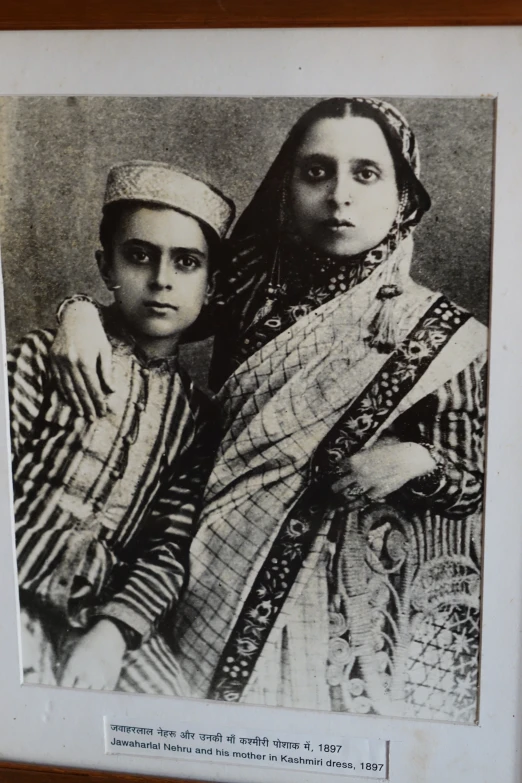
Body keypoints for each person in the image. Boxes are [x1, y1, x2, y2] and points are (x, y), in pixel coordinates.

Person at [50, 99, 487, 722]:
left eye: (366, 173)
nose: (338, 196)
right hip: (195, 560)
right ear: (287, 188)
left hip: (333, 597)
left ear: (402, 197)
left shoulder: (437, 333)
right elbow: (149, 312)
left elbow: (472, 478)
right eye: (316, 173)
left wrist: (413, 458)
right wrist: (79, 312)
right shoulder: (250, 289)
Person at [8, 160, 234, 694]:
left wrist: (113, 633)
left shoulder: (198, 422)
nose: (160, 280)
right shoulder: (47, 356)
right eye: (138, 256)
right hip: (13, 581)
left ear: (211, 283)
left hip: (103, 611)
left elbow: (167, 548)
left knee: (170, 713)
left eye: (186, 262)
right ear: (106, 266)